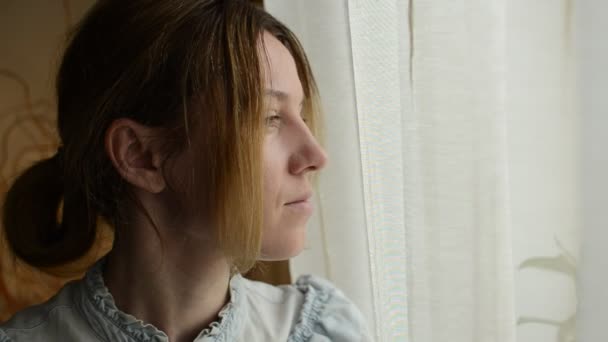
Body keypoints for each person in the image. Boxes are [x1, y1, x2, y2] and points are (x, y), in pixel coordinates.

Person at [0, 1, 371, 341]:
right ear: (140, 155)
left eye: (302, 115)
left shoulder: (320, 332)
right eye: (268, 118)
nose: (315, 155)